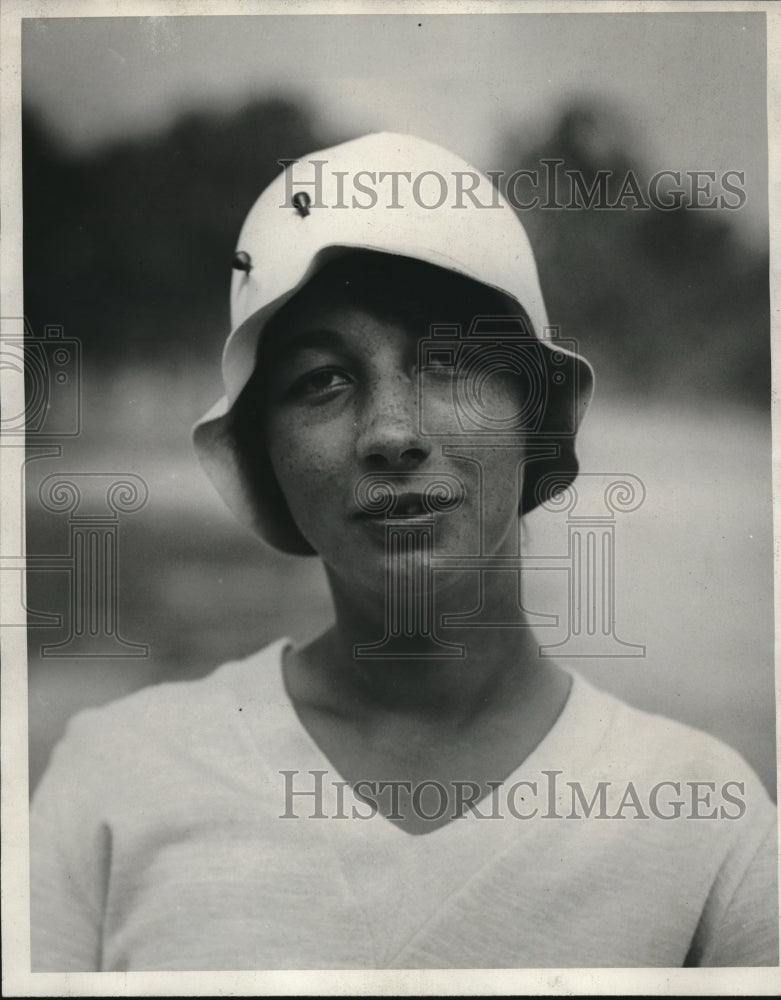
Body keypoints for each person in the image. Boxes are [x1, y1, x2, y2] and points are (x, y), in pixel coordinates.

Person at [31, 132, 777, 970]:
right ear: (262, 455)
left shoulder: (706, 823)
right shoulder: (115, 779)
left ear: (537, 419)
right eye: (322, 380)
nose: (390, 433)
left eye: (451, 361)